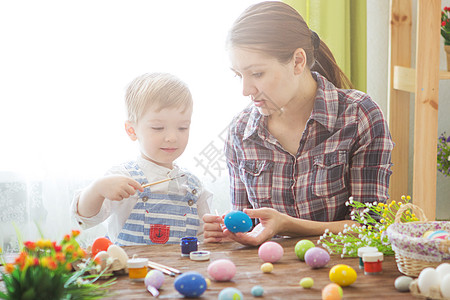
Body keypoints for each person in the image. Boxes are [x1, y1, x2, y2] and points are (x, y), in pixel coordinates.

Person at [203, 1, 393, 246]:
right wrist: (227, 230)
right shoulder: (240, 133)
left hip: (342, 272)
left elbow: (371, 227)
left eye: (257, 73)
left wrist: (288, 225)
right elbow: (248, 226)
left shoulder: (359, 116)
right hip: (270, 275)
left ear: (297, 61)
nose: (245, 90)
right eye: (239, 75)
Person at [71, 72, 212, 245]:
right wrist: (97, 189)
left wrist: (215, 233)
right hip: (131, 271)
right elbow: (85, 218)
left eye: (182, 128)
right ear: (132, 130)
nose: (172, 137)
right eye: (158, 128)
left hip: (180, 271)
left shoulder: (193, 186)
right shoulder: (121, 177)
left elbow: (203, 238)